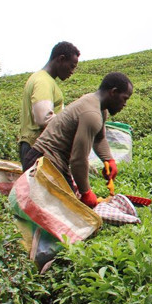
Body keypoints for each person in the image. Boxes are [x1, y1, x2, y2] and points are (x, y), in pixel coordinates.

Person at [22, 72, 133, 208]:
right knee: (68, 213)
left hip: (52, 162)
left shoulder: (98, 107)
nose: (125, 104)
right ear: (113, 92)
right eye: (124, 98)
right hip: (43, 163)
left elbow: (100, 138)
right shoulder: (92, 114)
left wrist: (108, 159)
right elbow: (78, 159)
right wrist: (86, 192)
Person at [18, 41, 80, 170]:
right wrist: (73, 124)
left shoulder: (43, 79)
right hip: (38, 147)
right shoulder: (43, 82)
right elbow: (44, 118)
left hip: (34, 146)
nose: (72, 71)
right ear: (61, 59)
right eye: (71, 66)